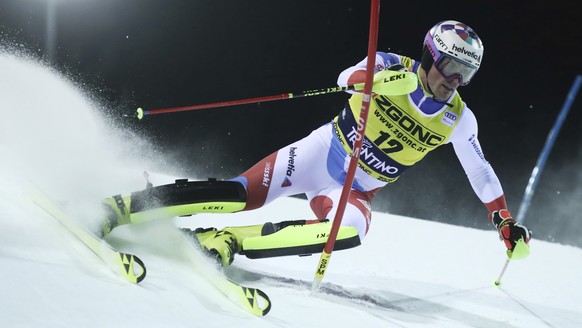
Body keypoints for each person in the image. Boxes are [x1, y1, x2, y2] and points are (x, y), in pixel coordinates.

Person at [102, 20, 531, 267]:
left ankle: (226, 241)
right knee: (241, 194)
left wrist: (503, 220)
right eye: (451, 68)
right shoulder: (391, 65)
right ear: (430, 57)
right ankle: (126, 205)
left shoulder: (459, 118)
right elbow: (346, 78)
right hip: (321, 154)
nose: (453, 83)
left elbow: (480, 170)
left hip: (355, 189)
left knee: (350, 233)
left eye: (466, 75)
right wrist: (373, 82)